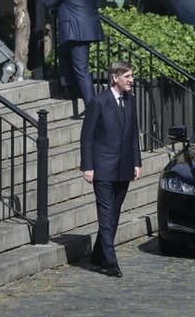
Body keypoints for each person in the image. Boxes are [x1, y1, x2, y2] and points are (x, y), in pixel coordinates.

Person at [80, 61, 142, 278]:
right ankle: (110, 262)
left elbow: (133, 133)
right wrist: (88, 166)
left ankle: (97, 256)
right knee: (106, 216)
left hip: (124, 168)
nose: (131, 81)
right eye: (127, 76)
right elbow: (86, 137)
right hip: (103, 169)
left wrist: (137, 162)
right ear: (115, 78)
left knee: (113, 215)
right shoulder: (98, 102)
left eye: (132, 76)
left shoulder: (130, 100)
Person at [44, 0, 105, 110]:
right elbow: (97, 3)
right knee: (63, 54)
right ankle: (67, 88)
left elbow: (49, 1)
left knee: (81, 69)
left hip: (74, 30)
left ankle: (92, 108)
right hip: (85, 28)